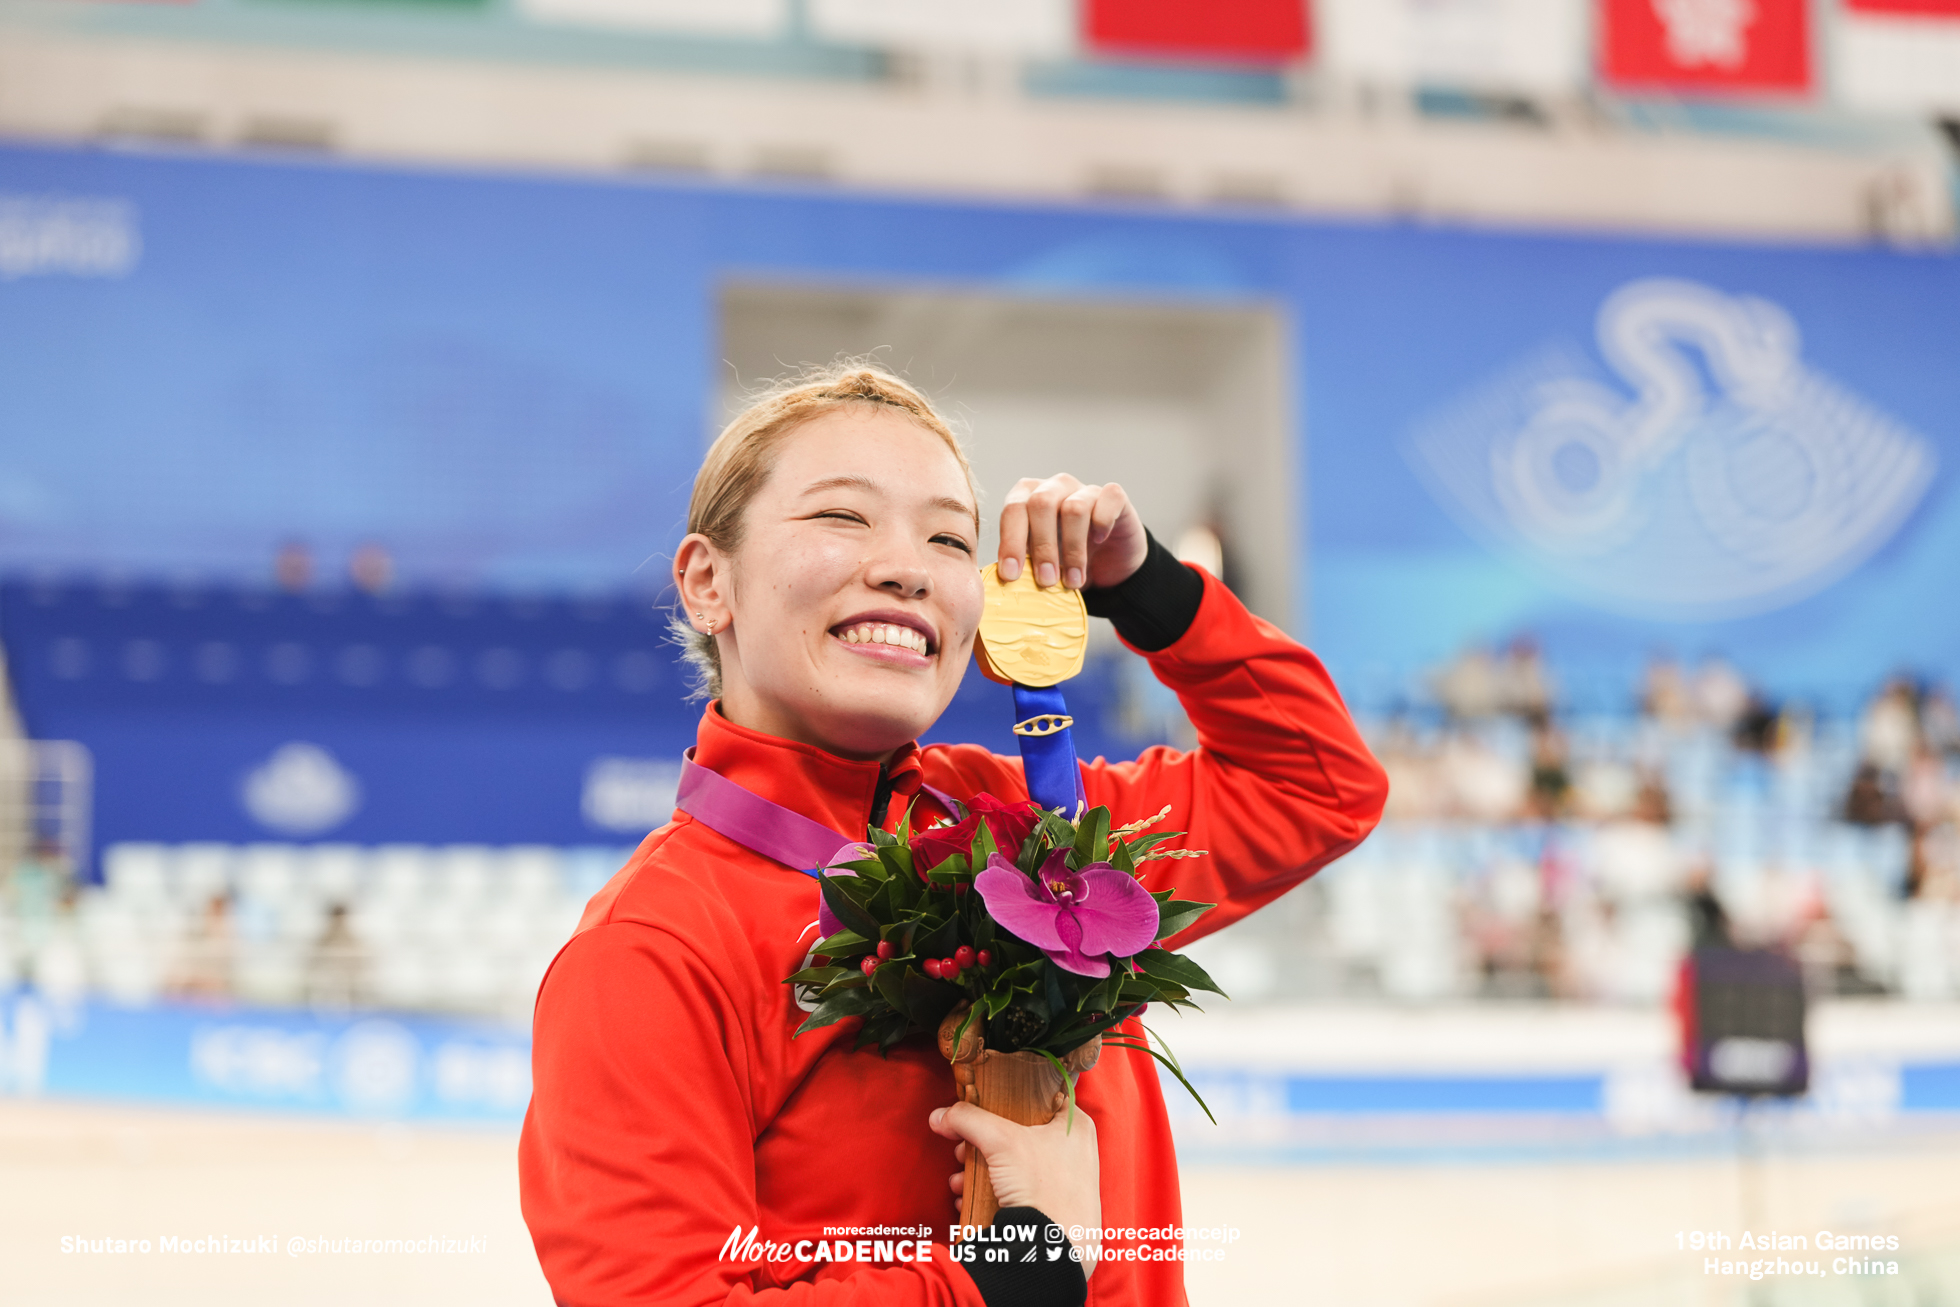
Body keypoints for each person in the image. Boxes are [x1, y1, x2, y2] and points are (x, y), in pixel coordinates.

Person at [517, 366, 1389, 1306]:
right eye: (842, 518)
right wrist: (1007, 1275)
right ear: (706, 582)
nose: (907, 565)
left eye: (947, 538)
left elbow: (1319, 783)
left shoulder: (1035, 833)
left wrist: (1150, 590)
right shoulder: (653, 947)